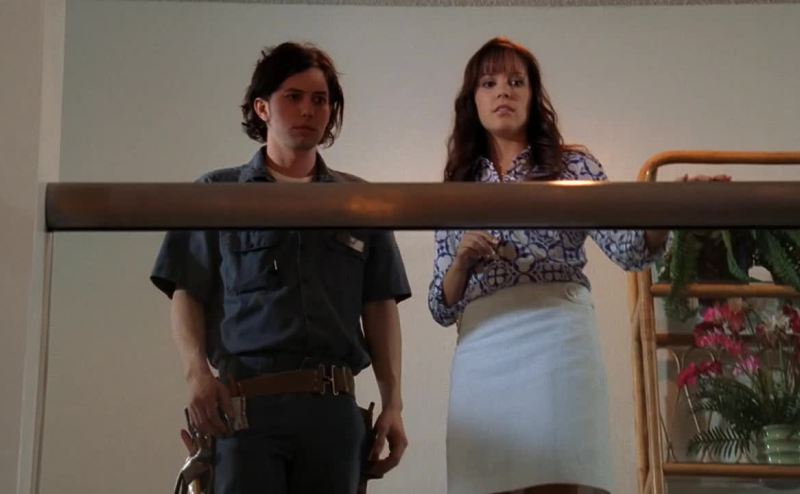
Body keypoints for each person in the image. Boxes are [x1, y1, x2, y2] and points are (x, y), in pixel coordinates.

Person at [151, 41, 411, 494]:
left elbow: (380, 305)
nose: (308, 110)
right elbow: (186, 292)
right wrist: (197, 375)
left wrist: (393, 403)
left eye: (320, 99)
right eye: (293, 96)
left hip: (332, 409)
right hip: (245, 408)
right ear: (262, 107)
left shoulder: (359, 201)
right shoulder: (217, 193)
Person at [427, 37, 673, 494]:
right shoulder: (458, 182)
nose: (503, 91)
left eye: (516, 82)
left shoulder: (573, 165)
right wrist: (462, 260)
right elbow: (440, 306)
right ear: (472, 100)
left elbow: (630, 249)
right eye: (489, 83)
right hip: (483, 343)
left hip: (558, 338)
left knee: (558, 481)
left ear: (532, 95)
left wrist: (676, 210)